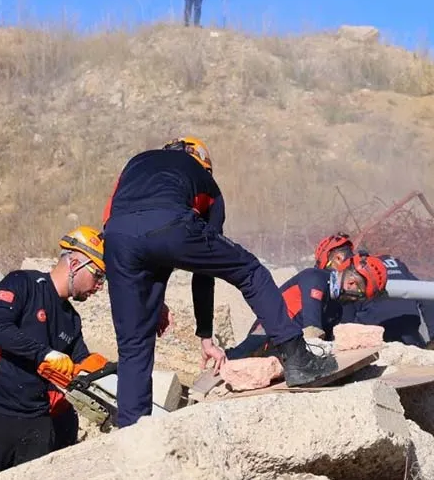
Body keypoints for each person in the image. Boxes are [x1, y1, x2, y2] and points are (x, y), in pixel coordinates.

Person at [102, 136, 341, 427]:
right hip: (172, 225)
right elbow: (204, 270)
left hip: (118, 239)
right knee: (250, 271)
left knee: (133, 343)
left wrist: (151, 300)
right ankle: (299, 359)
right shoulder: (204, 179)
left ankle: (132, 431)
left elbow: (119, 225)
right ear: (202, 162)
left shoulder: (134, 164)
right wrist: (205, 335)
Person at [0, 227, 108, 480]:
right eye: (98, 276)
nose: (99, 286)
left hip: (34, 419)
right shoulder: (22, 283)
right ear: (76, 264)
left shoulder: (71, 320)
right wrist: (44, 354)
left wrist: (105, 373)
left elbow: (81, 363)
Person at [225, 252, 389, 359]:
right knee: (243, 353)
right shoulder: (314, 277)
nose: (354, 300)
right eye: (358, 293)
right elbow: (312, 330)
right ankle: (224, 360)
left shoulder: (336, 309)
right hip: (267, 335)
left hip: (289, 348)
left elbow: (327, 340)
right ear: (352, 281)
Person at [315, 233, 434, 349]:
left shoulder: (349, 279)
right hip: (411, 330)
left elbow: (344, 324)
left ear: (338, 258)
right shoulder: (389, 261)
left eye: (328, 268)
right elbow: (425, 295)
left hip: (377, 338)